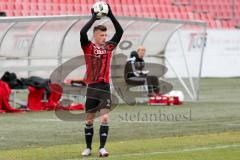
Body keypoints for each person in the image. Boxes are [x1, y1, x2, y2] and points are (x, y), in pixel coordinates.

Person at [80, 4, 123, 157]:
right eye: (101, 35)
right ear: (95, 35)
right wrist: (93, 17)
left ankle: (102, 148)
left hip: (104, 86)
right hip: (92, 86)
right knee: (90, 120)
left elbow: (120, 31)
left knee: (104, 117)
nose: (104, 38)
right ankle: (88, 148)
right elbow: (82, 32)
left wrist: (110, 14)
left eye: (105, 35)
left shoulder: (109, 47)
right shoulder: (88, 47)